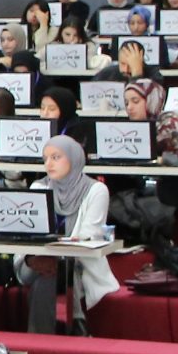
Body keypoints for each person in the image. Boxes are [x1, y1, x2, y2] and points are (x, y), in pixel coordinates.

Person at [22, 138, 118, 326]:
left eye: (56, 157)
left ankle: (49, 336)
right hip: (40, 261)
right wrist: (33, 259)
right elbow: (29, 234)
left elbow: (87, 236)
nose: (49, 164)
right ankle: (71, 329)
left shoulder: (96, 190)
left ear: (74, 158)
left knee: (46, 284)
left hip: (80, 264)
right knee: (46, 280)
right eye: (45, 159)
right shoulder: (39, 187)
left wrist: (56, 259)